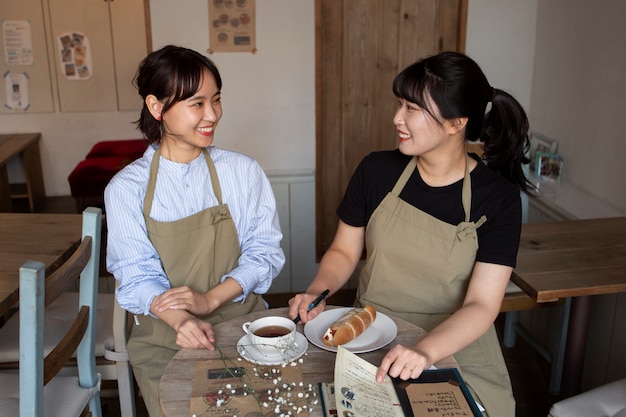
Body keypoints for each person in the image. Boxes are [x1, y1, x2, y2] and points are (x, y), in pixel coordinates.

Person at [288, 51, 531, 416]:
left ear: (456, 122)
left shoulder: (498, 199)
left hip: (456, 344)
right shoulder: (376, 170)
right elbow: (343, 251)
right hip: (371, 333)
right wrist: (317, 291)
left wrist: (425, 351)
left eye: (412, 109)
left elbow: (482, 304)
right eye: (399, 104)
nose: (396, 118)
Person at [105, 45, 285, 417]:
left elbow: (264, 253)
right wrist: (182, 318)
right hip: (165, 338)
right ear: (157, 108)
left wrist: (208, 301)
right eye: (197, 104)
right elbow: (136, 276)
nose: (212, 115)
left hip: (244, 328)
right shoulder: (126, 188)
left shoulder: (242, 171)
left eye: (216, 100)